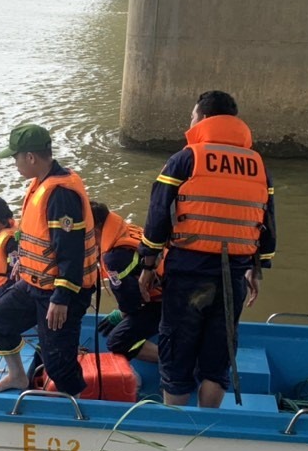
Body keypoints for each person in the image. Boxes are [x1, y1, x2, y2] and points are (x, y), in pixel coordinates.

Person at [138, 90, 276, 409]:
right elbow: (267, 221)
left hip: (189, 271)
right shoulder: (258, 166)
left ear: (202, 117)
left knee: (177, 347)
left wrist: (148, 264)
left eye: (192, 116)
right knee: (219, 349)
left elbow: (158, 214)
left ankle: (175, 424)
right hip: (235, 274)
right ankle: (208, 423)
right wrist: (257, 270)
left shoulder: (187, 159)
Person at [0, 124, 98, 394]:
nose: (15, 164)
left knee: (58, 363)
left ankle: (76, 406)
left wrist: (61, 297)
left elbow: (70, 251)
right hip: (34, 284)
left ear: (30, 157)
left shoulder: (61, 194)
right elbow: (38, 238)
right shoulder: (40, 185)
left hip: (61, 291)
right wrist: (24, 260)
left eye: (15, 158)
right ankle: (17, 377)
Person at [91, 201, 163, 363]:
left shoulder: (114, 257)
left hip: (167, 303)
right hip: (178, 290)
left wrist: (121, 313)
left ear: (95, 231)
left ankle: (176, 361)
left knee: (117, 341)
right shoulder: (125, 230)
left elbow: (132, 302)